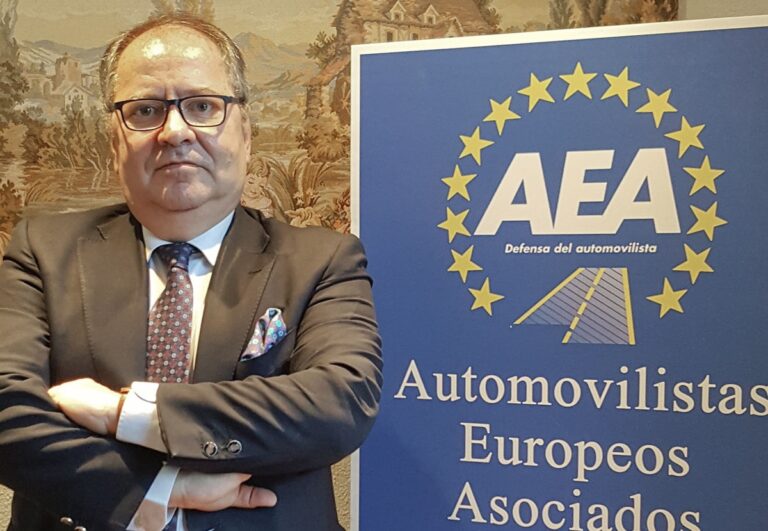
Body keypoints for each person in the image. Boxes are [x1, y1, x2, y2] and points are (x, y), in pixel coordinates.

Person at [0, 13, 381, 531]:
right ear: (114, 142)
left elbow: (338, 404)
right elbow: (7, 408)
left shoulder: (323, 260)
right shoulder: (44, 250)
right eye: (146, 110)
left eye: (202, 106)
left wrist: (127, 412)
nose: (175, 131)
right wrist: (159, 490)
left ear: (246, 133)